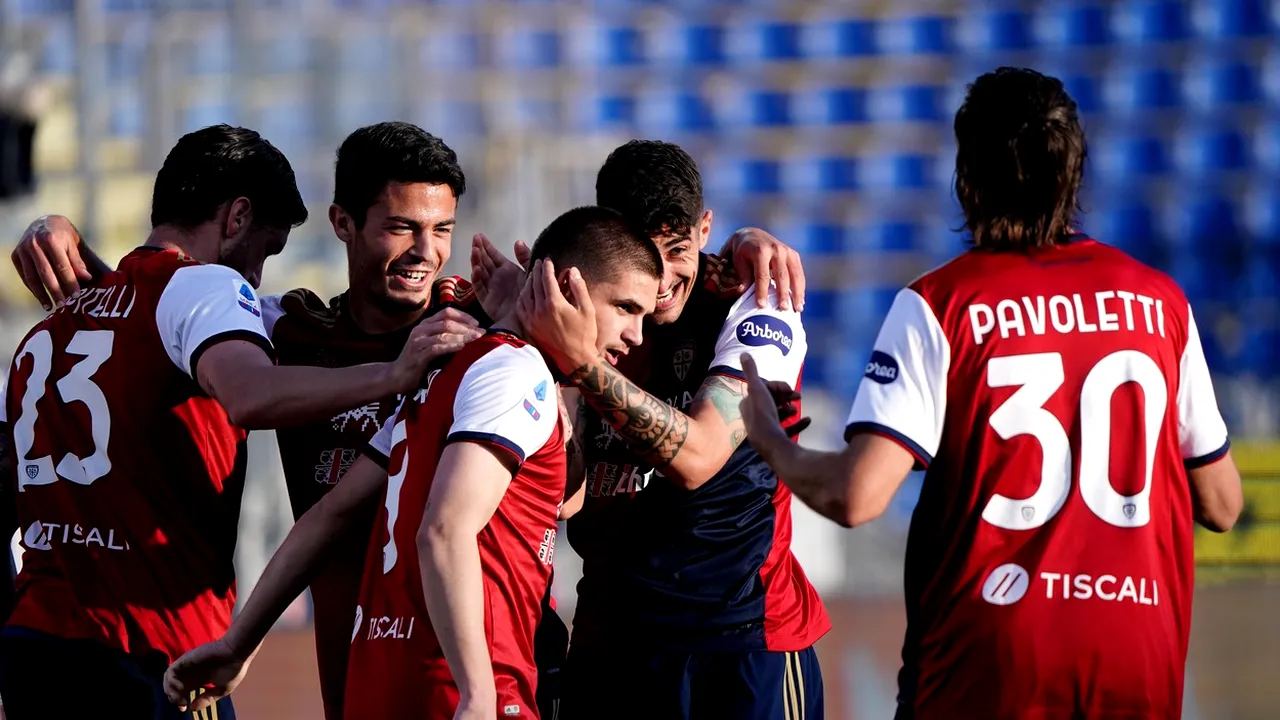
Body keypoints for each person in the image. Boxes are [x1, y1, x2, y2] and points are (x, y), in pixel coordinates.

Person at [9, 127, 805, 720]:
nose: (426, 253)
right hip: (383, 677)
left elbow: (561, 496)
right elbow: (156, 318)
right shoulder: (287, 333)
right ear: (342, 225)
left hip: (509, 664)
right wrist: (67, 240)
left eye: (442, 230)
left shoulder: (472, 341)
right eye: (401, 228)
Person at [738, 67, 1245, 720]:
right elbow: (1225, 504)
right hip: (1137, 657)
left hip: (989, 661)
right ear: (1074, 174)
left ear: (966, 176)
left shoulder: (940, 305)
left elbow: (855, 495)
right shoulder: (1160, 303)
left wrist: (767, 437)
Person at [0, 124, 457, 720]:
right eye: (265, 250)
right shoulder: (212, 289)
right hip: (154, 648)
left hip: (38, 646)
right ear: (237, 217)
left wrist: (54, 229)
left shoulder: (56, 326)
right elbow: (247, 392)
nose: (257, 280)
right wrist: (397, 375)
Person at [160, 205, 664, 720]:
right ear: (565, 285)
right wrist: (477, 692)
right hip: (469, 684)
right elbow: (443, 531)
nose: (637, 334)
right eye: (625, 307)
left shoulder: (444, 375)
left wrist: (237, 644)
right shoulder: (517, 375)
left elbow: (330, 514)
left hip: (382, 678)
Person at [480, 140, 828, 720]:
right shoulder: (577, 311)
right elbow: (567, 498)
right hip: (612, 637)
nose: (662, 279)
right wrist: (537, 346)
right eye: (646, 253)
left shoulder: (757, 305)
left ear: (706, 228)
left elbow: (699, 457)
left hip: (739, 642)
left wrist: (581, 362)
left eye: (679, 248)